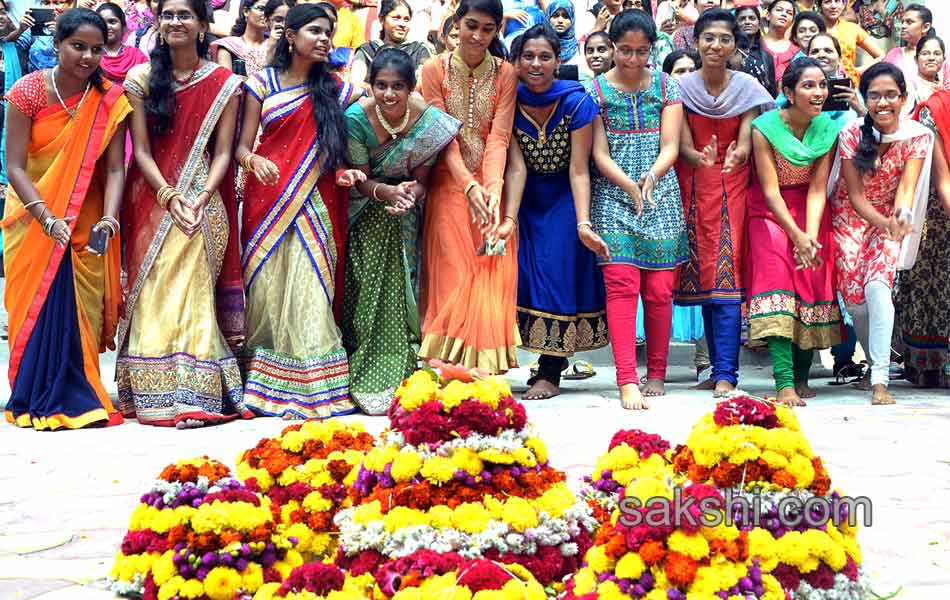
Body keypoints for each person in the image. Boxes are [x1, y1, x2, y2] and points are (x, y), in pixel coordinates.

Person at [118, 0, 251, 427]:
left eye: (185, 15)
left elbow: (225, 152)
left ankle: (195, 391)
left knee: (193, 294)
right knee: (155, 291)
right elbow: (139, 151)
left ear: (202, 24)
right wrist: (168, 195)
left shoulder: (225, 82)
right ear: (158, 23)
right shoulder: (139, 79)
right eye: (168, 15)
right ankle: (150, 390)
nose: (176, 22)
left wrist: (198, 196)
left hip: (202, 202)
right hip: (152, 200)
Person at [3, 8, 129, 431]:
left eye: (96, 49)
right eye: (78, 46)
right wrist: (45, 217)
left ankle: (81, 392)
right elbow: (15, 166)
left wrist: (110, 219)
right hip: (32, 214)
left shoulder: (110, 98)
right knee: (33, 303)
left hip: (85, 216)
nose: (88, 57)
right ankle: (31, 390)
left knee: (81, 309)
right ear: (56, 44)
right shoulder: (29, 91)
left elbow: (115, 169)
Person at [236, 4, 363, 418]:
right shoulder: (261, 83)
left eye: (329, 32)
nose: (326, 39)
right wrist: (253, 161)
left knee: (310, 286)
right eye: (315, 31)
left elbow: (355, 135)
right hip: (269, 199)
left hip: (317, 199)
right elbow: (241, 145)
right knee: (270, 289)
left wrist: (347, 173)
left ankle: (315, 384)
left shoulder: (339, 89)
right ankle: (264, 382)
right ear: (290, 36)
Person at [342, 48, 460, 413]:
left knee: (405, 284)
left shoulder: (427, 119)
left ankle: (405, 369)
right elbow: (360, 181)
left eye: (397, 86)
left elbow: (422, 180)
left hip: (406, 212)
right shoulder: (356, 119)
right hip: (366, 210)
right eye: (381, 86)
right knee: (365, 288)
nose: (389, 94)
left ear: (411, 88)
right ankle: (362, 364)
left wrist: (411, 193)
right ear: (370, 85)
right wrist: (386, 191)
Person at [494, 25, 605, 400]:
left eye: (545, 57)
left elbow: (579, 168)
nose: (536, 64)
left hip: (562, 194)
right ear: (516, 61)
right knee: (525, 277)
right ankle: (537, 364)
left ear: (559, 61)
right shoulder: (509, 101)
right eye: (528, 57)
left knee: (556, 275)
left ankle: (551, 372)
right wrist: (509, 218)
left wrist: (583, 221)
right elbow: (516, 167)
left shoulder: (576, 102)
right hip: (524, 198)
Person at [583, 11, 686, 409]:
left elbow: (671, 146)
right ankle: (627, 378)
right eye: (624, 50)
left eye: (641, 51)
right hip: (612, 195)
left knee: (660, 290)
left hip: (659, 192)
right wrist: (627, 184)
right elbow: (597, 152)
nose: (632, 59)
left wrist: (651, 178)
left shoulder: (667, 85)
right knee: (622, 284)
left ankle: (657, 372)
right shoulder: (593, 92)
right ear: (611, 47)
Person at [675, 8, 775, 397]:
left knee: (727, 281)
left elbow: (748, 138)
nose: (716, 45)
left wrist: (737, 154)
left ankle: (727, 374)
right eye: (709, 38)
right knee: (705, 284)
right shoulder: (681, 88)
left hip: (733, 190)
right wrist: (696, 156)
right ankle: (717, 367)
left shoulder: (747, 87)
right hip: (694, 190)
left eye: (724, 39)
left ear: (736, 45)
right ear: (696, 41)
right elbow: (681, 142)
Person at [418, 0, 519, 373]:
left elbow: (499, 137)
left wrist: (491, 190)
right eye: (471, 25)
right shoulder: (434, 69)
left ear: (497, 31)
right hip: (449, 184)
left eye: (488, 29)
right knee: (453, 271)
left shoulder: (506, 73)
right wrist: (468, 186)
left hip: (491, 187)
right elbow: (442, 137)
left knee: (490, 270)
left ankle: (482, 368)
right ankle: (444, 365)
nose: (478, 36)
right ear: (455, 24)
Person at [831, 62, 933, 405]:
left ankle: (879, 379)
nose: (883, 102)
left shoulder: (916, 135)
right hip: (849, 218)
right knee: (856, 303)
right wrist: (885, 221)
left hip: (888, 219)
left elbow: (906, 189)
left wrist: (900, 218)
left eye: (891, 95)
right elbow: (856, 197)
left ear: (903, 98)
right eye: (874, 95)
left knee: (877, 286)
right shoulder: (850, 133)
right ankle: (870, 363)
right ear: (865, 99)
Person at [747, 57, 843, 406]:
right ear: (788, 92)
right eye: (808, 85)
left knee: (811, 279)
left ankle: (801, 377)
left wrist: (810, 237)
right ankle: (784, 382)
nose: (818, 92)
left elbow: (818, 189)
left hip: (811, 211)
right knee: (777, 284)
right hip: (769, 213)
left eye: (822, 85)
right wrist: (795, 235)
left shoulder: (827, 130)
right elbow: (771, 191)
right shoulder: (764, 128)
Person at [896, 89, 950, 388]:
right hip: (936, 216)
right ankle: (926, 365)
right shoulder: (936, 110)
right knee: (930, 286)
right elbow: (944, 181)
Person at [350, 0, 433, 85]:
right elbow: (355, 83)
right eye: (396, 18)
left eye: (406, 19)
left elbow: (425, 84)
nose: (402, 24)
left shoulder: (419, 51)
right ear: (382, 19)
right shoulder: (368, 50)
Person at [817, 0, 882, 85]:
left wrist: (858, 71)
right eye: (827, 2)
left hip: (849, 85)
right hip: (819, 85)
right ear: (819, 6)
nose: (833, 6)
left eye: (837, 1)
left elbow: (881, 56)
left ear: (843, 5)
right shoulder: (813, 29)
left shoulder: (852, 29)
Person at [807, 32, 865, 119]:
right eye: (815, 51)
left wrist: (859, 109)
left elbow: (871, 126)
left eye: (828, 50)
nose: (821, 55)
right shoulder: (797, 89)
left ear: (840, 59)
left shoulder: (850, 91)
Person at [211, 0, 270, 77]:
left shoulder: (275, 46)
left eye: (270, 11)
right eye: (261, 8)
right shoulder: (229, 46)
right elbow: (226, 84)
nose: (266, 14)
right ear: (246, 11)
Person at [96, 3, 149, 83]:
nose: (107, 26)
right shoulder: (92, 55)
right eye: (102, 23)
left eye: (112, 22)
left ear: (123, 27)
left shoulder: (136, 56)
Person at [733, 4, 777, 96]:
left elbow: (772, 92)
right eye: (742, 19)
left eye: (752, 18)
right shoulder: (730, 54)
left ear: (759, 23)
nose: (747, 22)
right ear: (735, 24)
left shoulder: (767, 57)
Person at [761, 0, 799, 85]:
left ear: (792, 21)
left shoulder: (796, 51)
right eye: (779, 10)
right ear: (768, 15)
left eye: (789, 13)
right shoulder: (755, 45)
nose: (784, 14)